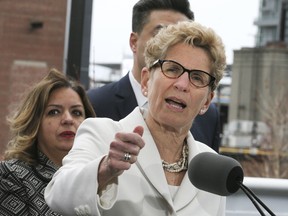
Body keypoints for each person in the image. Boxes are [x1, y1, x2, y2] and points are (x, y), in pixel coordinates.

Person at [45, 21, 226, 215]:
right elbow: (58, 194)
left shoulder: (213, 168)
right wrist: (105, 169)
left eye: (197, 77)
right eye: (172, 69)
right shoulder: (102, 134)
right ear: (147, 81)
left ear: (207, 101)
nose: (182, 84)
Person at [87, 0, 221, 152]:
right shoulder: (94, 104)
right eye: (161, 33)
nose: (171, 42)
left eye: (181, 36)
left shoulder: (208, 117)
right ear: (134, 42)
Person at [0, 69, 96, 215]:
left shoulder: (98, 174)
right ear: (35, 122)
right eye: (54, 112)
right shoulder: (11, 175)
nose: (68, 119)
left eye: (76, 112)